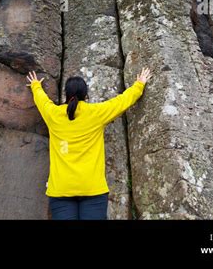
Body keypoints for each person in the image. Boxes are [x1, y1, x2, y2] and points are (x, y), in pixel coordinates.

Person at [26, 66, 152, 220]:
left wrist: (36, 85)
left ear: (66, 94)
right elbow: (121, 102)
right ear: (86, 95)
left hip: (61, 190)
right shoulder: (96, 113)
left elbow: (42, 101)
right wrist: (139, 84)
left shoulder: (54, 115)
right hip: (92, 190)